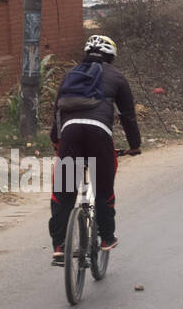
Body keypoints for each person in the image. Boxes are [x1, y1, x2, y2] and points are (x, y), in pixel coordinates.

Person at [48, 35, 141, 265]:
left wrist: (56, 141)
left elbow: (58, 111)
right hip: (99, 134)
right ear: (111, 56)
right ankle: (107, 238)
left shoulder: (71, 75)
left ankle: (60, 246)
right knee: (104, 188)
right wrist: (134, 145)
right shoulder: (117, 77)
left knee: (63, 191)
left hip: (69, 133)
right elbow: (127, 116)